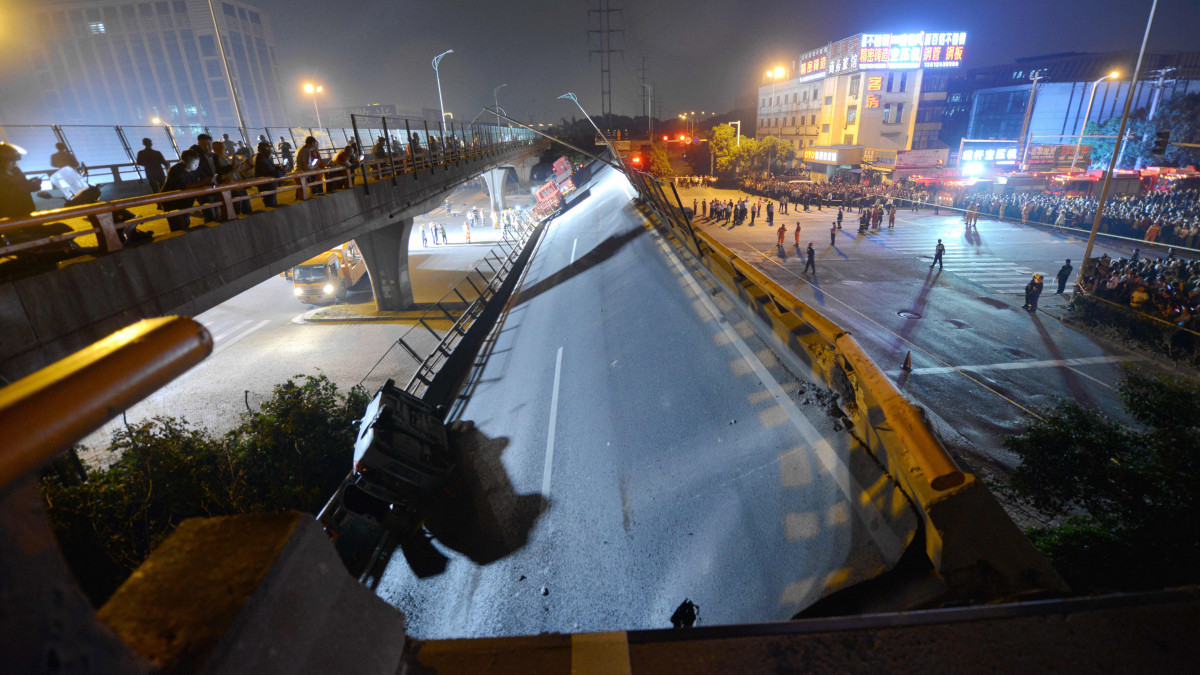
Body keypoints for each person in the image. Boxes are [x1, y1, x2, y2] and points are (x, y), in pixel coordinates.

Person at [159, 149, 212, 232]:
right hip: (172, 203)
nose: (197, 166)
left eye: (198, 163)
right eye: (194, 164)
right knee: (178, 226)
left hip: (186, 201)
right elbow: (184, 186)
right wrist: (202, 183)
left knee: (186, 222)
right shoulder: (175, 171)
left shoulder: (196, 169)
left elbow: (205, 178)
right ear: (184, 162)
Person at [0, 142, 43, 221]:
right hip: (8, 215)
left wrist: (35, 185)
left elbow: (24, 185)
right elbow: (4, 192)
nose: (13, 163)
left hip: (27, 210)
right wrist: (28, 185)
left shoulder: (16, 170)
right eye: (10, 160)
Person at [188, 133, 219, 221]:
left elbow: (218, 170)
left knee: (218, 212)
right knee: (209, 213)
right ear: (199, 145)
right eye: (203, 145)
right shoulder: (196, 157)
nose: (207, 147)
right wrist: (208, 180)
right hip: (204, 189)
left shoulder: (214, 156)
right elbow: (197, 171)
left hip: (216, 187)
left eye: (209, 145)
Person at [253, 141, 285, 208]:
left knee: (271, 204)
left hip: (267, 186)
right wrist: (283, 170)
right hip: (267, 187)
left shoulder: (262, 159)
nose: (270, 151)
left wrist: (280, 167)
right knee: (272, 205)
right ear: (265, 150)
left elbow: (271, 168)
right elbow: (275, 173)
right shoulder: (262, 161)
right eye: (269, 149)